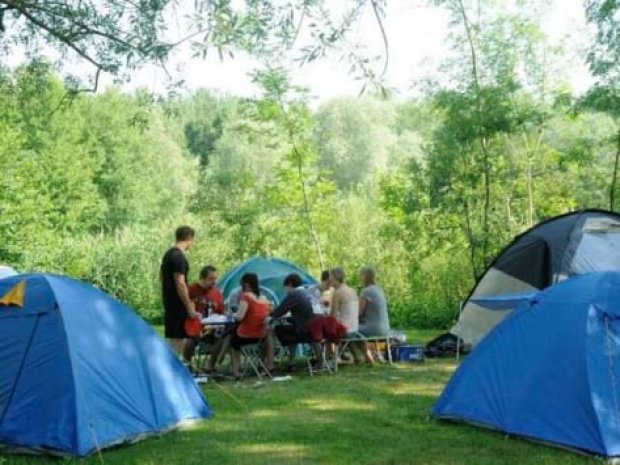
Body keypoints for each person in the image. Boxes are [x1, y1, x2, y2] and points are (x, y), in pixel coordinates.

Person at [160, 226, 198, 356]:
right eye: (193, 240)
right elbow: (180, 283)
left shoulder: (168, 254)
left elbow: (162, 278)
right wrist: (189, 307)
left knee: (174, 339)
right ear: (189, 238)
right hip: (178, 304)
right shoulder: (179, 257)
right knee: (178, 339)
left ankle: (171, 368)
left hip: (169, 301)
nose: (192, 243)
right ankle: (173, 369)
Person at [270, 273, 321, 368]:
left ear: (289, 285)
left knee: (274, 329)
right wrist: (289, 318)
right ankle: (293, 361)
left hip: (304, 331)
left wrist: (268, 313)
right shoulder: (305, 293)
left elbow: (278, 312)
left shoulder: (294, 294)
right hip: (314, 329)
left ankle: (271, 363)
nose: (285, 291)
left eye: (285, 288)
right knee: (289, 329)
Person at [183, 265, 226, 373]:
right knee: (190, 341)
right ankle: (186, 366)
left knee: (224, 338)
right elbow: (184, 309)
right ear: (202, 278)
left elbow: (221, 314)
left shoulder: (217, 294)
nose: (214, 281)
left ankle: (210, 367)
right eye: (211, 279)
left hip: (212, 329)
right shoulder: (191, 289)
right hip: (194, 327)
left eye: (215, 279)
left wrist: (215, 324)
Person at [230, 273, 274, 379]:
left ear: (246, 284)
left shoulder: (246, 297)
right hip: (260, 336)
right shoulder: (264, 298)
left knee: (232, 340)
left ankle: (236, 370)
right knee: (269, 334)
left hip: (246, 334)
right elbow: (268, 314)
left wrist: (233, 314)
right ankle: (268, 364)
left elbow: (240, 317)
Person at [330, 266, 373, 364]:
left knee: (325, 329)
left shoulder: (337, 293)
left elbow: (332, 317)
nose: (329, 280)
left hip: (345, 331)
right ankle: (356, 357)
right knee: (343, 326)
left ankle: (330, 359)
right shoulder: (352, 290)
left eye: (330, 277)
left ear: (334, 277)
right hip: (355, 329)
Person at [358, 266, 390, 337]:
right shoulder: (379, 290)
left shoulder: (366, 291)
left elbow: (359, 313)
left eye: (360, 275)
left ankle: (356, 348)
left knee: (348, 330)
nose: (359, 278)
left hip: (373, 329)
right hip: (386, 329)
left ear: (365, 277)